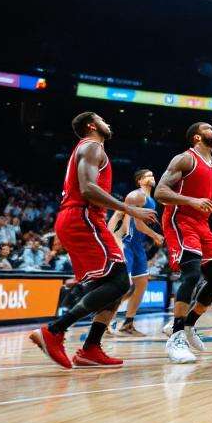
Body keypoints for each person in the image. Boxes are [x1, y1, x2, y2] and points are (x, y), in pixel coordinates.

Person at [29, 112, 158, 369]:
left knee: (114, 284)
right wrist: (130, 210)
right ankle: (54, 330)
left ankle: (90, 348)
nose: (107, 123)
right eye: (103, 120)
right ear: (92, 125)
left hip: (81, 218)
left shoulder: (89, 149)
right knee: (122, 280)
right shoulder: (91, 146)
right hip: (83, 217)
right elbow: (88, 189)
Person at [155, 122, 212, 364]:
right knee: (190, 275)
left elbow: (211, 198)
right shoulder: (184, 159)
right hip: (180, 220)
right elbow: (160, 192)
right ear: (196, 138)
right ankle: (176, 337)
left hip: (203, 224)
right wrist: (191, 201)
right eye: (209, 128)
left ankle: (188, 324)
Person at [107, 168, 163, 336]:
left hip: (137, 245)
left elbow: (126, 217)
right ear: (139, 181)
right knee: (123, 287)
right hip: (127, 244)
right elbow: (131, 223)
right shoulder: (136, 195)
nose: (152, 177)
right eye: (148, 176)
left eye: (153, 175)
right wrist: (154, 235)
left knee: (142, 284)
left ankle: (128, 323)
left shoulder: (151, 200)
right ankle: (106, 322)